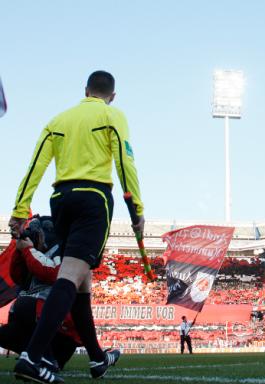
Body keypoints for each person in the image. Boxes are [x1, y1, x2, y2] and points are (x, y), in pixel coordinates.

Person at [8, 70, 145, 384]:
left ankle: (97, 358)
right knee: (70, 277)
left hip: (61, 199)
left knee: (81, 282)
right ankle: (32, 357)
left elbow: (35, 167)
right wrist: (135, 208)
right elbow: (126, 163)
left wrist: (19, 209)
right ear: (112, 95)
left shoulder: (57, 121)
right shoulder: (113, 115)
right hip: (93, 199)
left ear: (85, 90)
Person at [0, 216, 80, 371]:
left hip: (63, 333)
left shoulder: (64, 252)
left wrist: (28, 250)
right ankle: (35, 355)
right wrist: (19, 250)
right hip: (42, 322)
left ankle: (47, 357)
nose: (34, 237)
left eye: (37, 234)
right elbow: (17, 276)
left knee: (24, 304)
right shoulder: (35, 254)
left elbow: (50, 273)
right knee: (5, 332)